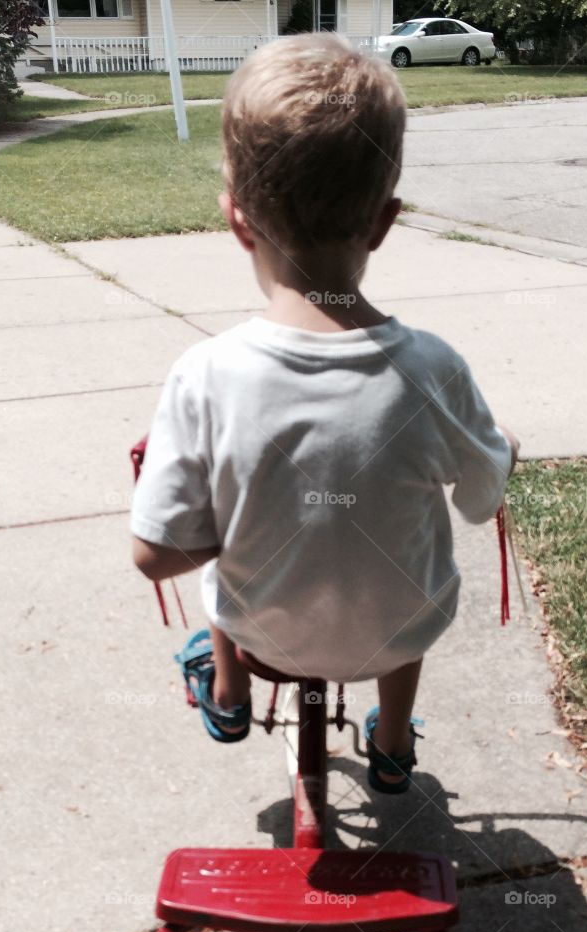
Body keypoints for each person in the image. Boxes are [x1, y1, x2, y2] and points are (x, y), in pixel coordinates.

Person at [131, 32, 519, 794]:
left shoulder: (205, 375)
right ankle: (395, 739)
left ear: (237, 219)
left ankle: (231, 693)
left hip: (261, 633)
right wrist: (501, 448)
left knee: (223, 565)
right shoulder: (434, 369)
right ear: (383, 221)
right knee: (410, 575)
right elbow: (481, 498)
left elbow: (155, 555)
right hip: (393, 633)